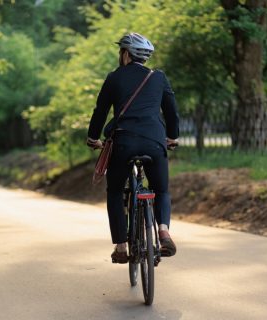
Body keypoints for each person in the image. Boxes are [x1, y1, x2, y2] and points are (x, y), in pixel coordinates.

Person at [87, 33, 180, 263]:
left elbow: (100, 112)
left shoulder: (114, 78)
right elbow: (172, 112)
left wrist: (92, 138)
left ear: (126, 53)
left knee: (116, 192)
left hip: (123, 142)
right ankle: (163, 230)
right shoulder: (158, 77)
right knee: (161, 190)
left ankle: (120, 246)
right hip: (155, 141)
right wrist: (172, 137)